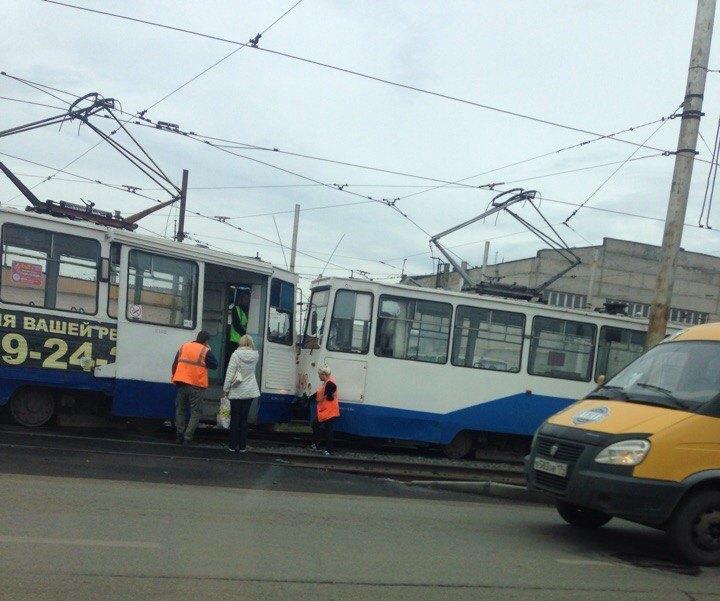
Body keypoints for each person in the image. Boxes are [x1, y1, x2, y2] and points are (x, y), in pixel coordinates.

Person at [172, 330, 218, 445]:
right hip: (196, 386)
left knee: (180, 410)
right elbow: (215, 365)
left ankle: (179, 435)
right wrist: (209, 350)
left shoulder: (184, 346)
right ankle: (187, 438)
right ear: (206, 341)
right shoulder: (205, 351)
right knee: (195, 412)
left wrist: (174, 378)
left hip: (181, 383)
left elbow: (175, 364)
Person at [222, 334, 260, 453]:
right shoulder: (255, 355)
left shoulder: (235, 355)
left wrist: (225, 389)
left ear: (241, 343)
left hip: (236, 390)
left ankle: (232, 446)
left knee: (235, 419)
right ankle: (243, 446)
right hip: (249, 391)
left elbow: (230, 373)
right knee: (244, 420)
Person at [311, 366, 340, 456]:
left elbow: (332, 387)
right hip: (326, 411)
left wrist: (329, 394)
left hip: (330, 411)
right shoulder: (325, 383)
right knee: (318, 426)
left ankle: (329, 450)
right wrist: (310, 398)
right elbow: (320, 393)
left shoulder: (329, 383)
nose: (319, 377)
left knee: (327, 430)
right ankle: (318, 446)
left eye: (320, 375)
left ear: (324, 375)